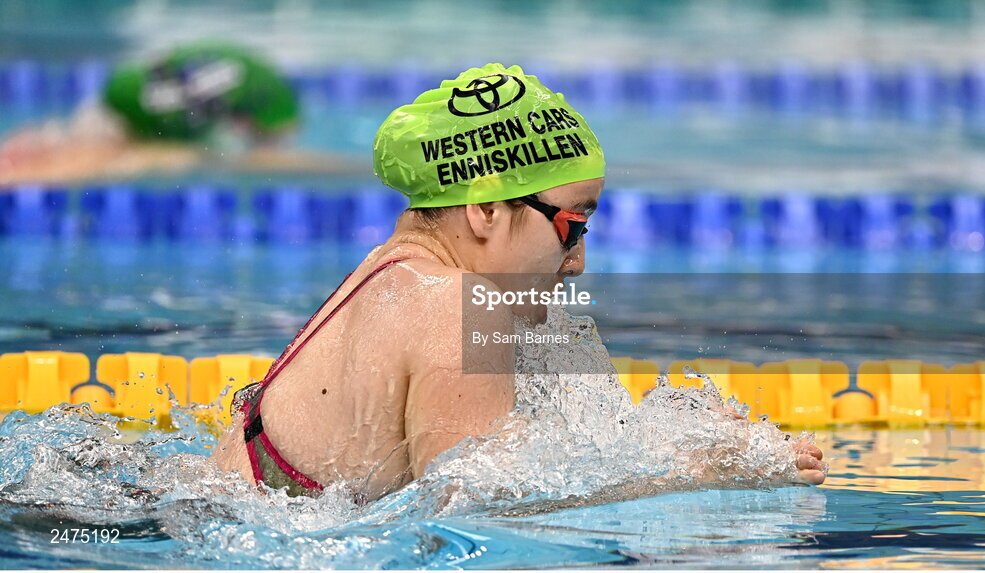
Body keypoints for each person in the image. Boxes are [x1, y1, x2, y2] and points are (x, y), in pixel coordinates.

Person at [210, 63, 827, 501]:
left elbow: (521, 456)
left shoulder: (392, 275)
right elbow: (470, 510)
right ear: (484, 209)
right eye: (573, 225)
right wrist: (696, 471)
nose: (578, 261)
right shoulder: (457, 303)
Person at [0, 42, 346, 186]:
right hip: (126, 114)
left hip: (124, 97)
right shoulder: (262, 98)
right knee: (76, 165)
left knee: (60, 143)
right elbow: (266, 160)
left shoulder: (248, 81)